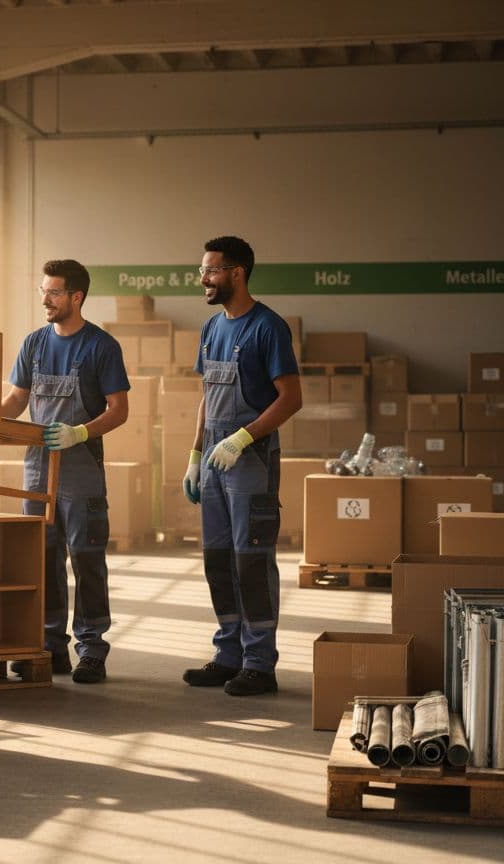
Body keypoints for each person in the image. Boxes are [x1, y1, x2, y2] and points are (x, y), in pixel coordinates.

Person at [181, 236, 302, 697]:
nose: (204, 280)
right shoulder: (212, 327)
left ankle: (259, 663)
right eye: (202, 272)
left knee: (251, 562)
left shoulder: (268, 328)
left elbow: (292, 398)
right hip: (213, 460)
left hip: (249, 459)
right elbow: (207, 397)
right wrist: (195, 455)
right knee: (217, 560)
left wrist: (245, 436)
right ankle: (228, 654)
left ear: (237, 273)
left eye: (211, 271)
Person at [1, 259, 130, 684]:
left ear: (77, 297)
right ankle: (49, 645)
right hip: (37, 471)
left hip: (81, 470)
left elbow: (119, 410)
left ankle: (91, 648)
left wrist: (79, 432)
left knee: (87, 559)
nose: (46, 300)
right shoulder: (34, 343)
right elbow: (18, 398)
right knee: (42, 558)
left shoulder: (101, 347)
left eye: (54, 293)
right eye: (43, 291)